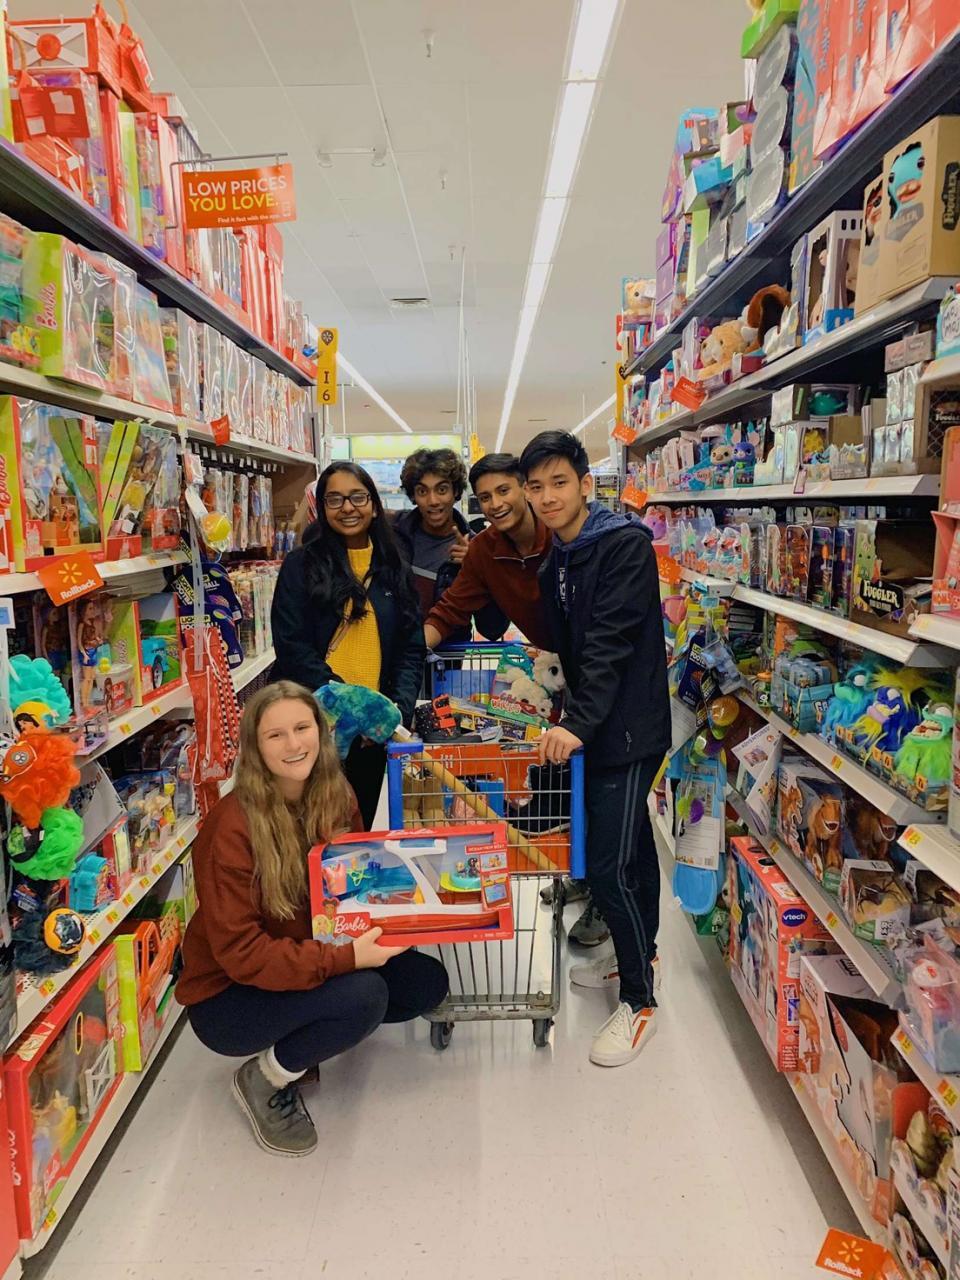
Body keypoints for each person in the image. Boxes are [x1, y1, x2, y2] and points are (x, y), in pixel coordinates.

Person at [178, 682, 449, 1157]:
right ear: (255, 748)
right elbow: (242, 954)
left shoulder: (336, 795)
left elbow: (353, 891)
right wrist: (346, 960)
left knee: (424, 983)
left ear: (321, 733)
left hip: (306, 950)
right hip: (227, 996)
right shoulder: (230, 828)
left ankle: (305, 1035)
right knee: (365, 997)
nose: (294, 744)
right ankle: (264, 1078)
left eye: (302, 728)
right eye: (275, 735)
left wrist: (404, 912)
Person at [519, 430, 670, 1068]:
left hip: (627, 730)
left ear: (585, 484)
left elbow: (611, 642)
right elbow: (575, 649)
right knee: (631, 849)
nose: (548, 497)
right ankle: (642, 954)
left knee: (607, 865)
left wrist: (577, 723)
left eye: (559, 482)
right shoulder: (558, 558)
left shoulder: (623, 544)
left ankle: (640, 1001)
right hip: (597, 725)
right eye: (537, 487)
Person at [270, 462, 426, 827]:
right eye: (335, 499)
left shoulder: (395, 568)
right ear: (323, 509)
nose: (347, 508)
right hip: (314, 725)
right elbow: (291, 644)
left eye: (357, 497)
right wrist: (347, 704)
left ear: (374, 505)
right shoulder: (301, 565)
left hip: (372, 735)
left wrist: (392, 712)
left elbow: (411, 648)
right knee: (309, 825)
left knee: (361, 824)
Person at [423, 453, 554, 652]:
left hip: (591, 650)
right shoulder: (482, 550)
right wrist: (410, 653)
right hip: (551, 657)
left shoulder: (558, 534)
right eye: (485, 497)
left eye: (503, 491)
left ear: (525, 489)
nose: (495, 504)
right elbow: (449, 611)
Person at [393, 447, 505, 645]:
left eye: (442, 489)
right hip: (394, 653)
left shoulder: (476, 549)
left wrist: (481, 569)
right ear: (413, 496)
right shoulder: (393, 535)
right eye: (422, 491)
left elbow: (492, 629)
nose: (433, 501)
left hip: (448, 657)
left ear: (456, 492)